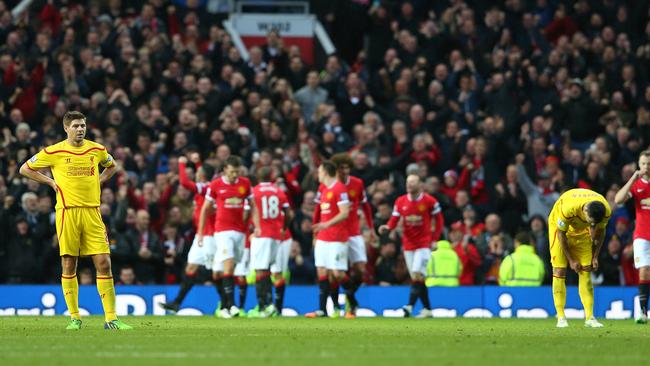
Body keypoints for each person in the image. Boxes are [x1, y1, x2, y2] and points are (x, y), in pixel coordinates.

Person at [19, 111, 131, 330]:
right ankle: (75, 317)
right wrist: (50, 182)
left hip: (92, 212)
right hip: (67, 212)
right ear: (66, 128)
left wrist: (99, 180)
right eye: (76, 126)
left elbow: (113, 166)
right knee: (69, 263)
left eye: (83, 126)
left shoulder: (96, 150)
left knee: (104, 262)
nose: (80, 129)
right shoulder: (54, 151)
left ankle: (111, 319)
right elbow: (25, 169)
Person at [379, 174, 444, 318]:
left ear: (419, 185)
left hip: (424, 244)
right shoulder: (400, 201)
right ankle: (427, 309)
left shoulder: (429, 201)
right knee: (418, 278)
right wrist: (388, 227)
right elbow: (395, 219)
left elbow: (439, 221)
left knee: (416, 273)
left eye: (413, 182)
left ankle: (409, 306)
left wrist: (434, 239)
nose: (409, 185)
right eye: (408, 182)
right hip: (408, 245)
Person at [159, 154, 217, 313]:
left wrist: (182, 164)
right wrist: (198, 162)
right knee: (191, 267)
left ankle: (228, 303)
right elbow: (201, 174)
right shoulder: (205, 186)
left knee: (217, 270)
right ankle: (177, 303)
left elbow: (184, 182)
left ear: (202, 175)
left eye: (198, 172)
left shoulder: (207, 188)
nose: (196, 174)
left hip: (210, 235)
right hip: (201, 235)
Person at [197, 156, 252, 319]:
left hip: (240, 232)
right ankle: (232, 305)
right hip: (222, 231)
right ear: (225, 170)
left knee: (227, 270)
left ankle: (225, 306)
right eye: (232, 171)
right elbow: (205, 209)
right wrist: (200, 232)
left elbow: (251, 206)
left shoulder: (245, 184)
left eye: (237, 171)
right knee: (227, 266)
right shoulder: (216, 185)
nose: (235, 174)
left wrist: (255, 226)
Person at [548, 188, 610, 328]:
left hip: (581, 231)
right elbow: (561, 234)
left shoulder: (605, 211)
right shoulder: (568, 208)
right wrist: (571, 260)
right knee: (559, 270)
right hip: (559, 228)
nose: (592, 225)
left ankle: (590, 318)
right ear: (585, 211)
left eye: (593, 224)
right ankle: (561, 317)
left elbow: (600, 233)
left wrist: (595, 256)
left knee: (586, 269)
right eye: (591, 222)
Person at [331, 153, 375, 318]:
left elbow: (366, 207)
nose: (344, 171)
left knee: (361, 270)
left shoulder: (357, 184)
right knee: (336, 272)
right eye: (341, 168)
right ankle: (340, 305)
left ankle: (350, 297)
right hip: (335, 234)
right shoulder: (330, 186)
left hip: (354, 232)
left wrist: (371, 229)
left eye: (347, 167)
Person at [306, 161, 351, 318]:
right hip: (323, 238)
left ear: (325, 172)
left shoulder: (339, 188)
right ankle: (322, 310)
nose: (317, 174)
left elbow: (345, 212)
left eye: (319, 171)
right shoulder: (324, 190)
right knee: (322, 272)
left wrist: (326, 224)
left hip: (337, 238)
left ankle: (351, 301)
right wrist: (318, 234)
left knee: (337, 274)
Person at [249, 167, 292, 317]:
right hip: (276, 235)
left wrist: (250, 229)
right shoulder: (279, 191)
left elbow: (248, 212)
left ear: (257, 176)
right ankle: (271, 305)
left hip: (261, 234)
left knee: (260, 270)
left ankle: (263, 307)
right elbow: (289, 213)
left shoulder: (254, 192)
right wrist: (284, 227)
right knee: (268, 270)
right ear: (272, 176)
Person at [614, 150, 650, 324]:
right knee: (644, 269)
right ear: (638, 165)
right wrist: (632, 178)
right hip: (642, 234)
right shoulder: (636, 185)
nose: (646, 167)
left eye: (648, 163)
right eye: (643, 163)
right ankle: (643, 312)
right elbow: (618, 199)